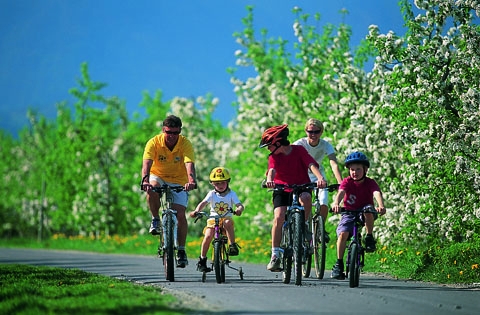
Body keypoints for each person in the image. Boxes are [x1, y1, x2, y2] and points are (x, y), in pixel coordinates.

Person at [259, 124, 327, 271]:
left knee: (306, 199)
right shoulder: (273, 156)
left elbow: (311, 165)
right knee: (279, 216)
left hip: (301, 185)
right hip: (281, 188)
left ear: (278, 142)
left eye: (269, 145)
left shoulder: (299, 150)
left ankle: (303, 226)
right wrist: (270, 180)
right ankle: (275, 255)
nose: (268, 149)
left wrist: (320, 178)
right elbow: (271, 170)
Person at [140, 115, 197, 268]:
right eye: (168, 132)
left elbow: (189, 163)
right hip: (158, 175)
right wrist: (145, 180)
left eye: (175, 133)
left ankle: (182, 250)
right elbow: (146, 163)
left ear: (180, 132)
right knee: (151, 189)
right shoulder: (153, 142)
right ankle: (155, 219)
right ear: (163, 130)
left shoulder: (185, 143)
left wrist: (191, 180)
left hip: (179, 179)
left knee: (180, 214)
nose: (172, 136)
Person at [330, 151, 386, 279]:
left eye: (358, 169)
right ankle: (339, 264)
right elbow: (341, 192)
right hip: (349, 212)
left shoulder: (370, 182)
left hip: (364, 211)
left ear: (365, 170)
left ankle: (369, 236)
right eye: (352, 169)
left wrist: (381, 205)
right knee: (343, 234)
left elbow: (376, 193)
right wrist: (336, 203)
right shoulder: (347, 181)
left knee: (368, 210)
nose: (355, 172)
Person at [293, 118, 343, 243]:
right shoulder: (299, 144)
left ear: (321, 132)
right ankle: (302, 227)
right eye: (310, 132)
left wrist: (341, 183)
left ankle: (320, 229)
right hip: (302, 176)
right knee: (303, 202)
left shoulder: (326, 145)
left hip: (318, 176)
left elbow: (334, 164)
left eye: (317, 131)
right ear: (306, 131)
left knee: (323, 203)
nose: (313, 135)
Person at [189, 167, 244, 272]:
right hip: (213, 219)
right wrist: (196, 211)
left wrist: (239, 210)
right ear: (212, 184)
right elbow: (203, 203)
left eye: (222, 183)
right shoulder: (212, 194)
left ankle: (232, 245)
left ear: (227, 182)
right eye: (217, 183)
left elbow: (239, 205)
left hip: (226, 218)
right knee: (208, 235)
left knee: (228, 222)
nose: (220, 186)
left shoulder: (232, 194)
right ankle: (202, 259)